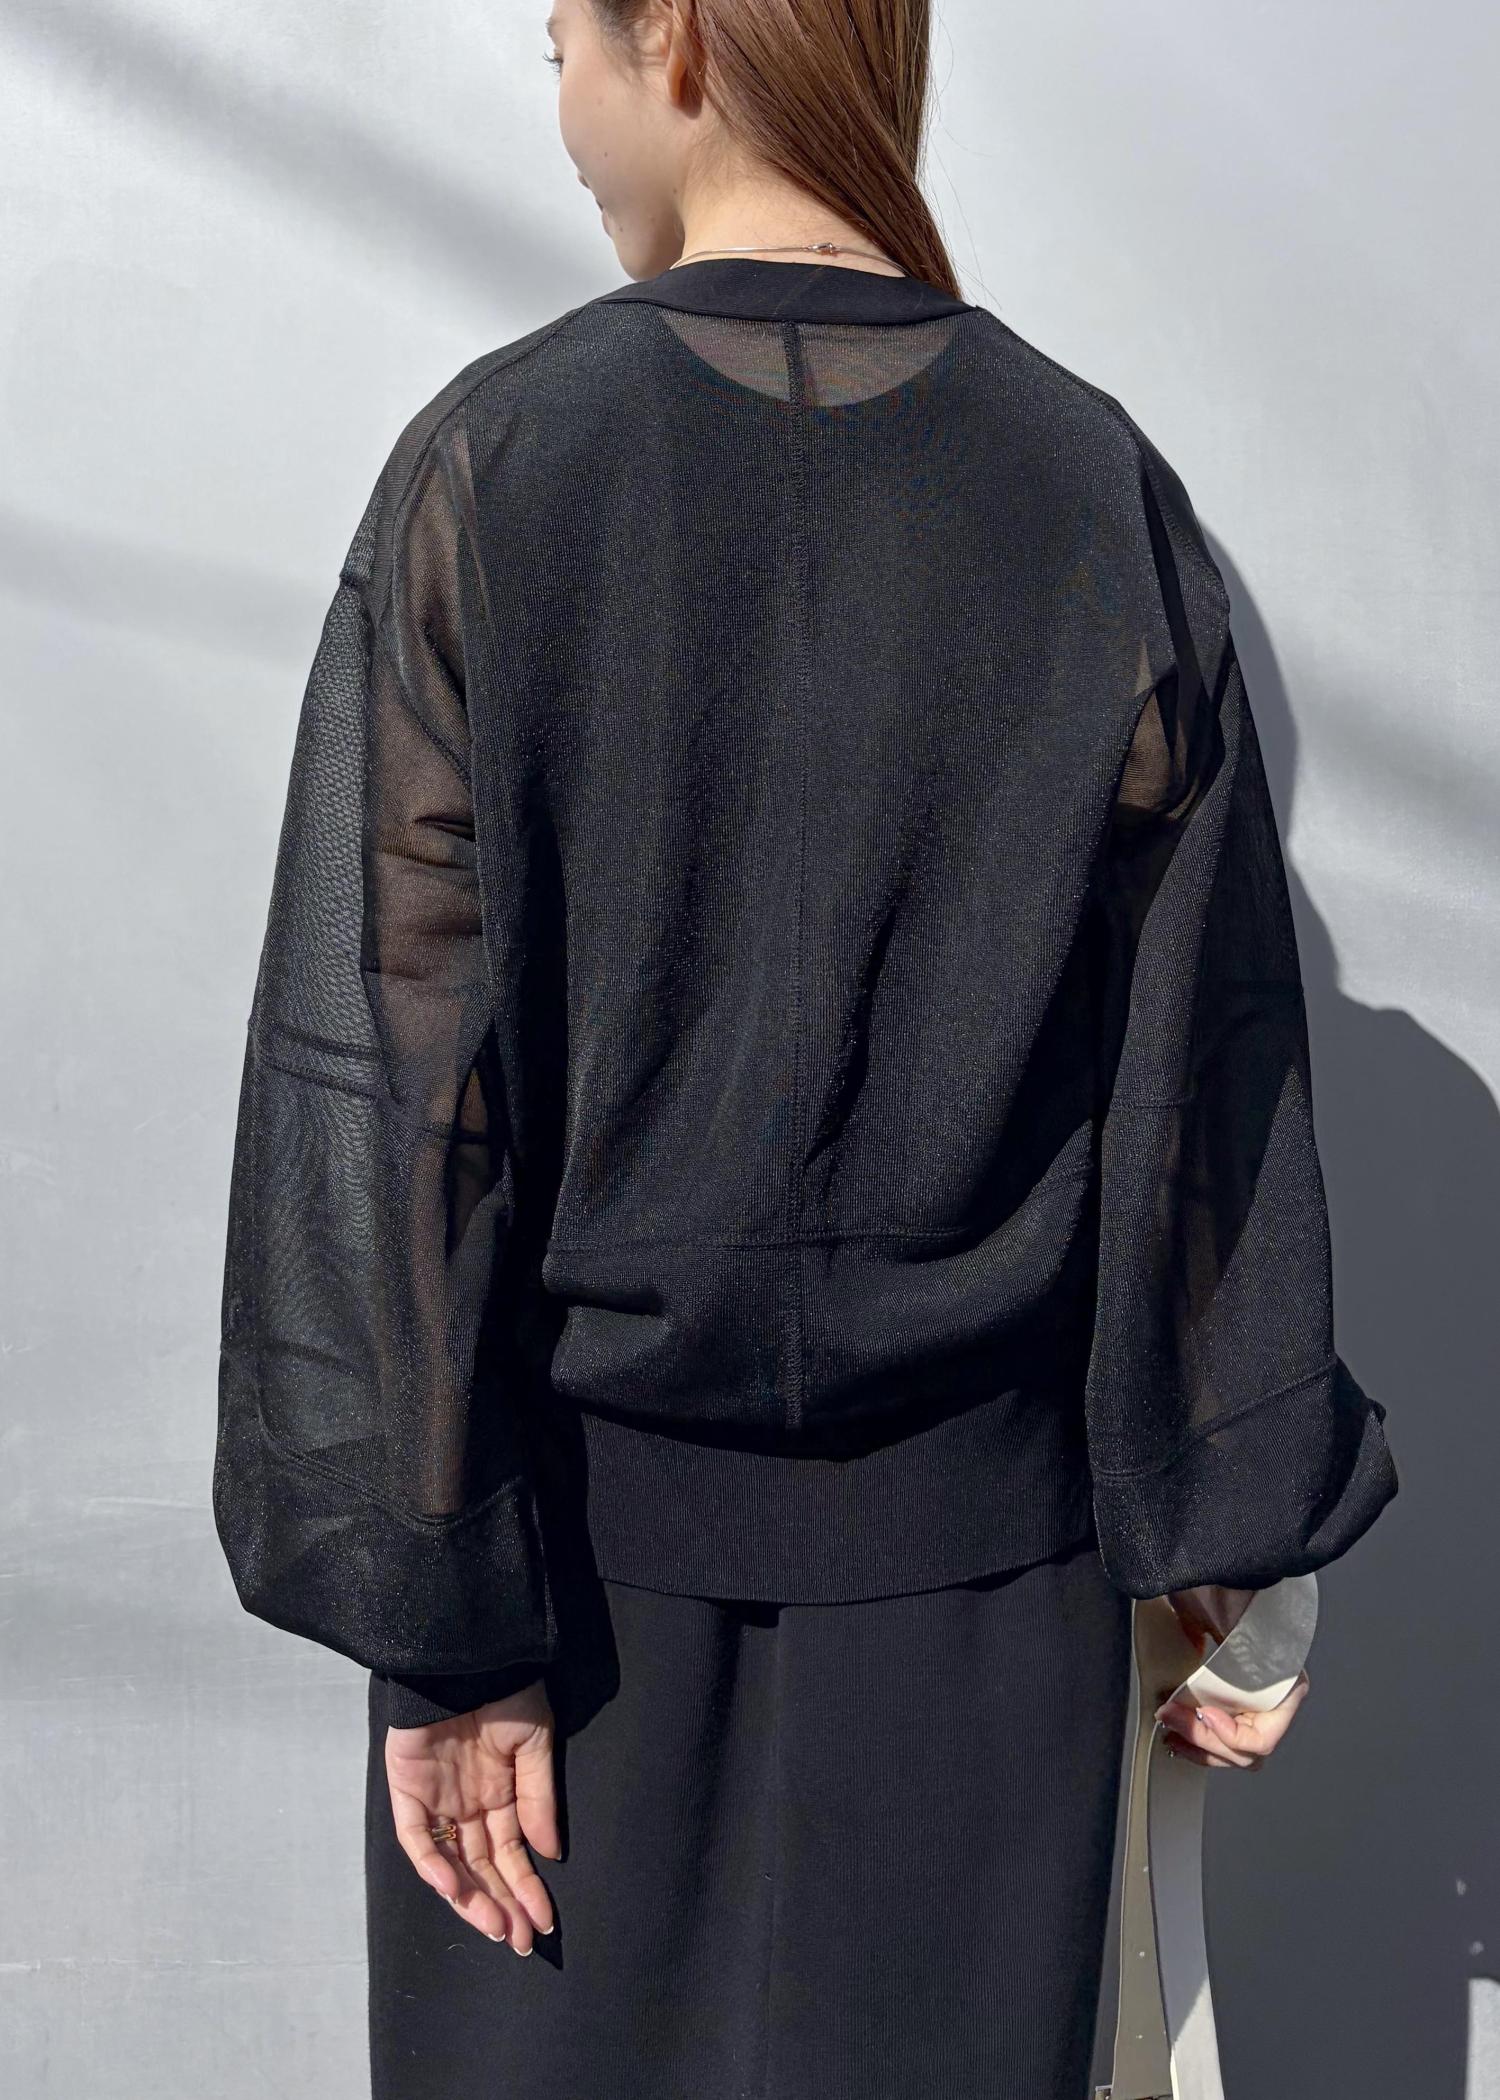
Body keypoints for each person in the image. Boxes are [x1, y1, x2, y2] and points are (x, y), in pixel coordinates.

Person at [211, 1, 1400, 2093]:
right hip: (991, 1613)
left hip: (561, 1638)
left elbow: (396, 1084)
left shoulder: (496, 468)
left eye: (563, 39)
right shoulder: (1089, 484)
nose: (557, 93)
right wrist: (1234, 1525)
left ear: (674, 37)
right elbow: (1198, 1065)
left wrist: (440, 1617)